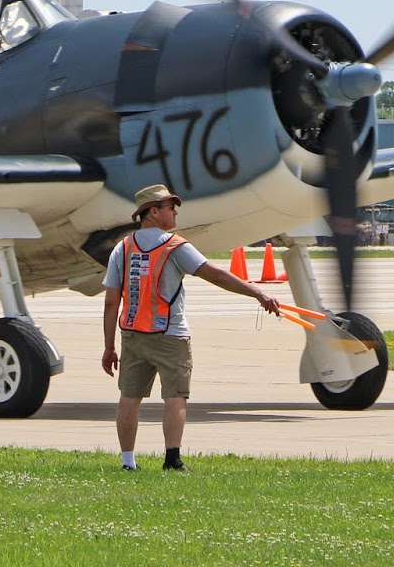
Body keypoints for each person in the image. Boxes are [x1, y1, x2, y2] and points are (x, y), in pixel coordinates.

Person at [101, 184, 281, 472]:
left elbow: (111, 302)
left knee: (129, 398)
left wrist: (109, 346)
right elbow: (215, 274)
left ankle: (127, 462)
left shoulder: (123, 249)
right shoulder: (175, 246)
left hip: (132, 335)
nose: (175, 211)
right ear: (153, 212)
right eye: (169, 206)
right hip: (171, 335)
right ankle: (172, 460)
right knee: (175, 397)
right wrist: (257, 292)